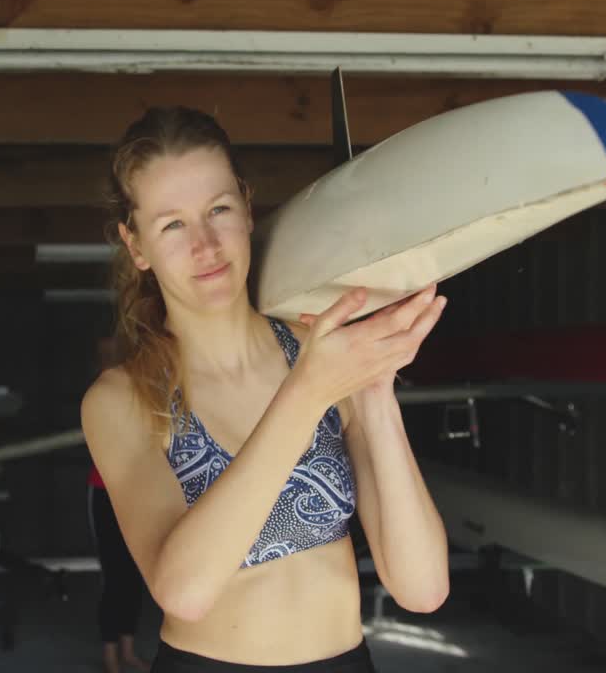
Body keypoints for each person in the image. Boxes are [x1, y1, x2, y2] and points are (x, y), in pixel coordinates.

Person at [81, 106, 450, 673]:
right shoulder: (122, 399)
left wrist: (374, 391)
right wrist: (306, 393)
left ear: (247, 208)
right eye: (172, 224)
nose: (205, 244)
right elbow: (183, 591)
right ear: (136, 247)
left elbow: (421, 589)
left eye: (218, 209)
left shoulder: (322, 351)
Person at [89, 460, 152, 672]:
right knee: (113, 576)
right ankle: (110, 657)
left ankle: (127, 652)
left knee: (134, 575)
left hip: (138, 492)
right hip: (105, 489)